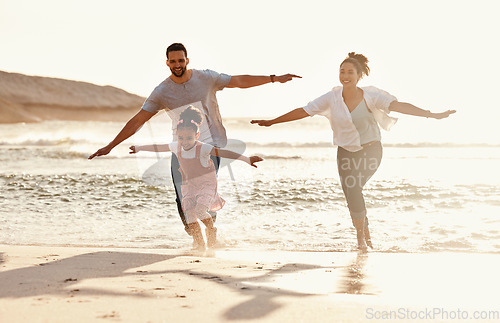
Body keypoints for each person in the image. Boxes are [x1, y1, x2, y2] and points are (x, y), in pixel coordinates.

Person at [251, 52, 455, 251]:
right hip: (346, 152)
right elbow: (304, 111)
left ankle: (361, 240)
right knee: (351, 192)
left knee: (354, 188)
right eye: (342, 72)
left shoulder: (372, 96)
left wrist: (432, 115)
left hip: (371, 150)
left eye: (350, 72)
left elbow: (399, 106)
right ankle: (366, 237)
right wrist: (272, 121)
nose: (345, 76)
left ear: (359, 76)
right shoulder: (331, 97)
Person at [89, 43, 300, 235]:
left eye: (181, 60)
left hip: (210, 147)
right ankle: (197, 238)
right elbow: (137, 121)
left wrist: (273, 78)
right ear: (167, 63)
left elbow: (239, 81)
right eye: (173, 61)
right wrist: (110, 146)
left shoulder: (206, 78)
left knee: (204, 195)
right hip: (181, 149)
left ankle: (209, 231)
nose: (177, 64)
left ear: (187, 60)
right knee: (182, 199)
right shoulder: (162, 92)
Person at [129, 106, 263, 250]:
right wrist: (140, 148)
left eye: (189, 138)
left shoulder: (203, 148)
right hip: (189, 186)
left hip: (206, 185)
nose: (184, 141)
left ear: (197, 135)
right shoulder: (176, 146)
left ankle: (211, 230)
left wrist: (246, 159)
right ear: (177, 136)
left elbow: (224, 153)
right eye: (180, 138)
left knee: (200, 210)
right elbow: (158, 147)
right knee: (189, 215)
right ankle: (200, 244)